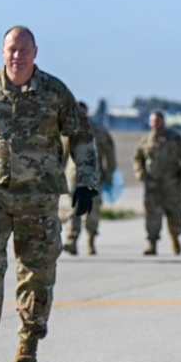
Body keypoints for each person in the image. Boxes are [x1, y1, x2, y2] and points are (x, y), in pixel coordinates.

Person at [0, 25, 97, 362]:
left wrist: (86, 182)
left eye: (23, 50)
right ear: (3, 52)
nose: (17, 56)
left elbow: (80, 135)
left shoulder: (54, 92)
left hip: (39, 198)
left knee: (37, 271)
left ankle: (28, 341)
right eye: (12, 49)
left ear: (35, 52)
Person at [133, 110, 181, 255]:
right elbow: (137, 158)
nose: (155, 124)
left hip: (172, 184)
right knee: (152, 216)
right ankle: (152, 244)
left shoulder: (175, 138)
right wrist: (140, 173)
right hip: (152, 186)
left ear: (163, 122)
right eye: (153, 121)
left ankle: (175, 238)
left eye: (158, 121)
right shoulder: (145, 141)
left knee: (175, 215)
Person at [64, 101, 117, 256]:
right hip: (74, 177)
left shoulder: (99, 132)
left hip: (94, 177)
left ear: (87, 113)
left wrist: (109, 173)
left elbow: (110, 154)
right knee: (73, 209)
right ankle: (72, 241)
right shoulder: (70, 132)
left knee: (92, 210)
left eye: (82, 113)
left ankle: (91, 240)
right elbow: (63, 154)